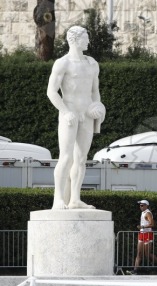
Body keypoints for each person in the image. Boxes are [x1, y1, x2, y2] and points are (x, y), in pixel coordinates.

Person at [47, 26, 106, 210]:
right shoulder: (62, 63)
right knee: (65, 158)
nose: (88, 41)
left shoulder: (92, 64)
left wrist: (98, 107)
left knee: (81, 159)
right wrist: (65, 111)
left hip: (87, 115)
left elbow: (95, 92)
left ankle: (75, 199)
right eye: (86, 37)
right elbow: (51, 92)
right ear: (74, 39)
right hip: (69, 116)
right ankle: (58, 198)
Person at [127, 200, 157, 275]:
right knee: (139, 253)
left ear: (146, 206)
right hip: (142, 234)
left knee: (147, 254)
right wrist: (142, 228)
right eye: (140, 205)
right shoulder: (143, 212)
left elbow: (152, 224)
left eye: (142, 205)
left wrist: (143, 226)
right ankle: (135, 271)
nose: (140, 207)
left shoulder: (148, 213)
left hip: (148, 234)